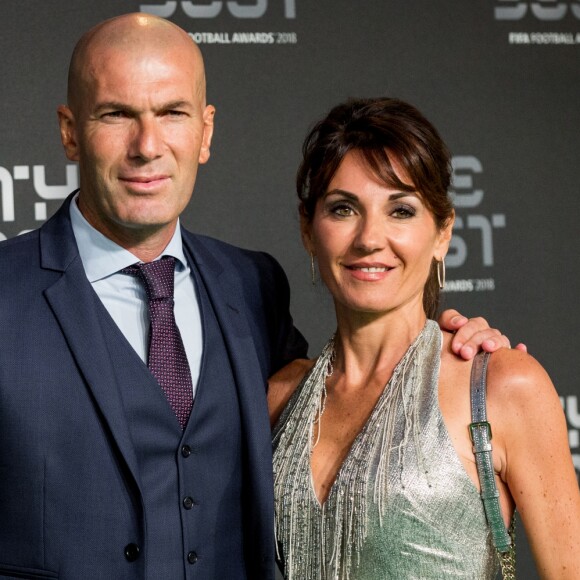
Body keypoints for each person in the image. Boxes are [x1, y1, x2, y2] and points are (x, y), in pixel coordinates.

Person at [0, 14, 514, 580]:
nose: (147, 147)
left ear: (206, 131)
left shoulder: (250, 285)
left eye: (172, 113)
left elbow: (353, 391)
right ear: (70, 130)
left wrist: (440, 348)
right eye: (117, 114)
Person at [269, 97, 580, 579]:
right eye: (344, 208)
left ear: (442, 234)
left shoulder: (501, 387)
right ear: (309, 231)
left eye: (401, 210)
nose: (370, 238)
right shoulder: (277, 399)